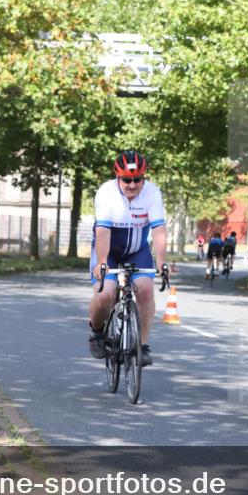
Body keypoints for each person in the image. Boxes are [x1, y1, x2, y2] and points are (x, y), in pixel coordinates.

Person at [89, 150, 168, 367]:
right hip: (109, 250)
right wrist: (102, 261)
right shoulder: (106, 193)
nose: (132, 185)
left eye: (137, 179)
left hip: (137, 250)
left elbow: (159, 229)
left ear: (143, 178)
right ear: (118, 177)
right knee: (106, 295)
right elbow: (103, 232)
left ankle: (141, 346)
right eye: (126, 180)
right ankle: (97, 332)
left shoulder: (152, 193)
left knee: (145, 289)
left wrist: (161, 260)